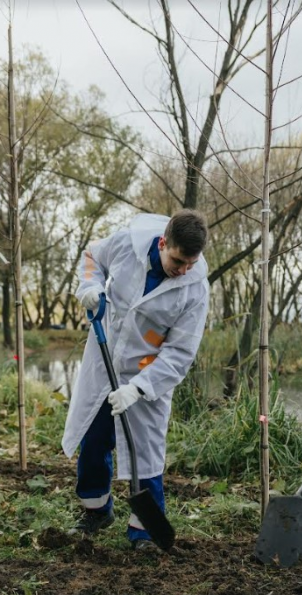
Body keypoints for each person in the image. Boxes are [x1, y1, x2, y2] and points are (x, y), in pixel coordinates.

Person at [61, 210, 210, 551]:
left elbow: (181, 353)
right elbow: (92, 256)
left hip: (148, 376)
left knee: (146, 452)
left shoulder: (195, 288)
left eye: (191, 262)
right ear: (162, 243)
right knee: (94, 439)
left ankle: (143, 531)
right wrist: (90, 285)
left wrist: (139, 388)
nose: (183, 269)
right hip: (105, 359)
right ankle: (96, 510)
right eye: (178, 260)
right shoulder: (127, 244)